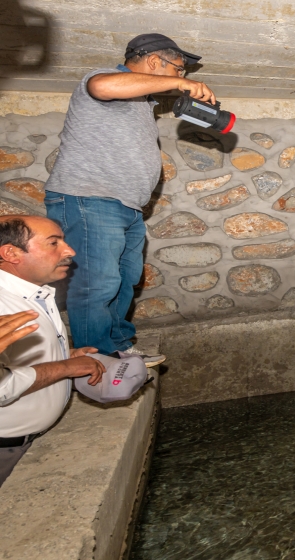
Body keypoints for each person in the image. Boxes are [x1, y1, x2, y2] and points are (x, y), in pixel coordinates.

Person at [44, 33, 216, 366]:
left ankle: (118, 347)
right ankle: (99, 361)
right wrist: (181, 87)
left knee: (124, 279)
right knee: (97, 282)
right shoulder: (102, 81)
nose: (181, 78)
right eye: (179, 69)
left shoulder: (143, 104)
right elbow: (101, 87)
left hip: (126, 207)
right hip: (89, 197)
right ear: (154, 62)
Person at [0, 216, 107, 486]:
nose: (69, 250)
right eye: (53, 243)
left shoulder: (35, 293)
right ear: (11, 253)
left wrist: (64, 356)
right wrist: (64, 368)